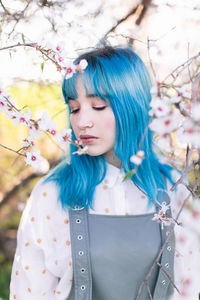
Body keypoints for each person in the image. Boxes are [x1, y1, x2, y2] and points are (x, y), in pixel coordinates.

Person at [9, 45, 198, 300]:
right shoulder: (51, 193)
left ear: (132, 105)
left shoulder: (174, 188)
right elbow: (28, 292)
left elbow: (190, 284)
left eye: (98, 106)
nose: (82, 121)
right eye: (74, 108)